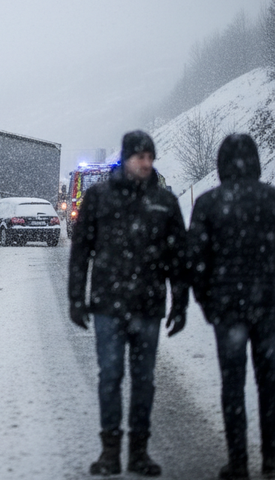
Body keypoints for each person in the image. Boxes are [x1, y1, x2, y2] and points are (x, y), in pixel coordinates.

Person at [68, 130, 189, 477]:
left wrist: (180, 303)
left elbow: (177, 257)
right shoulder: (98, 198)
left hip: (148, 305)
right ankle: (110, 451)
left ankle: (138, 452)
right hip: (108, 304)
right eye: (141, 158)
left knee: (143, 379)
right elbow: (80, 254)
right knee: (110, 376)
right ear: (126, 159)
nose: (147, 164)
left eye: (151, 158)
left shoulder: (164, 202)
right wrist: (76, 299)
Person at [187, 133, 275, 480]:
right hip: (269, 308)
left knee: (232, 384)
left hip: (228, 311)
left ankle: (238, 462)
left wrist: (208, 304)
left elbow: (196, 262)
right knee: (269, 384)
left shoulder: (208, 204)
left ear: (221, 163)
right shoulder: (272, 199)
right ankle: (271, 459)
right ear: (255, 160)